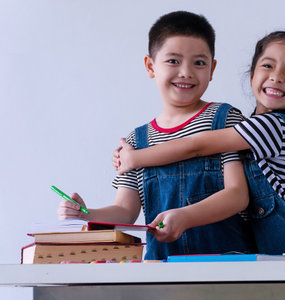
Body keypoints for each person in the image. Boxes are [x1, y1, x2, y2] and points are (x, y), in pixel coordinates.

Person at [112, 31, 285, 255]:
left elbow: (196, 145)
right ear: (251, 75)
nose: (276, 77)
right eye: (268, 66)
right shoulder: (249, 127)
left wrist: (135, 158)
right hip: (277, 247)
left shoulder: (271, 126)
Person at [58, 11, 256, 260]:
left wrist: (186, 217)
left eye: (199, 62)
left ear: (212, 68)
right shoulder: (134, 143)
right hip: (163, 270)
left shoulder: (224, 120)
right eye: (173, 61)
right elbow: (124, 211)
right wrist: (86, 215)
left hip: (230, 266)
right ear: (150, 66)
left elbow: (237, 195)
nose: (186, 72)